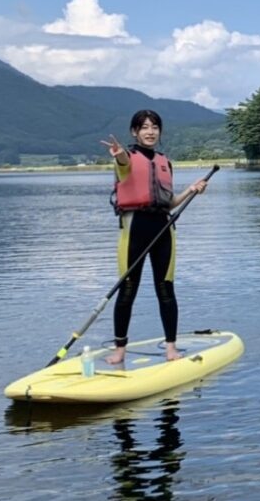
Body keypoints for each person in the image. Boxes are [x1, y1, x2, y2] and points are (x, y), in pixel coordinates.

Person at [100, 110, 207, 364]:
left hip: (162, 228)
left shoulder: (164, 161)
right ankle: (119, 350)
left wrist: (191, 191)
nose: (150, 131)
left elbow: (168, 203)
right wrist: (119, 155)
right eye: (144, 127)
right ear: (134, 132)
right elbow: (124, 163)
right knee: (127, 290)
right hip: (135, 227)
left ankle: (171, 348)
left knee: (166, 289)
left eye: (154, 127)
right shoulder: (125, 158)